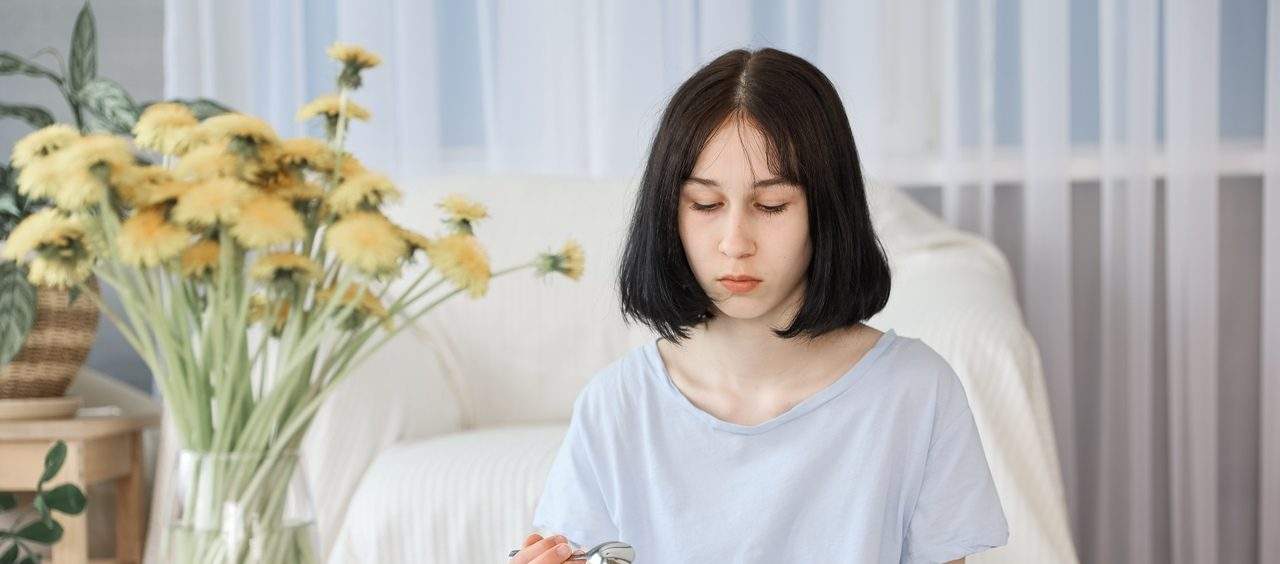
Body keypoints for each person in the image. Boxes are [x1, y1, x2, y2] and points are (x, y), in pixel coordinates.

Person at [508, 47, 1009, 564]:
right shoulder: (615, 406)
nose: (735, 243)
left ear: (827, 210)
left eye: (771, 205)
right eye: (705, 204)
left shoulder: (916, 392)